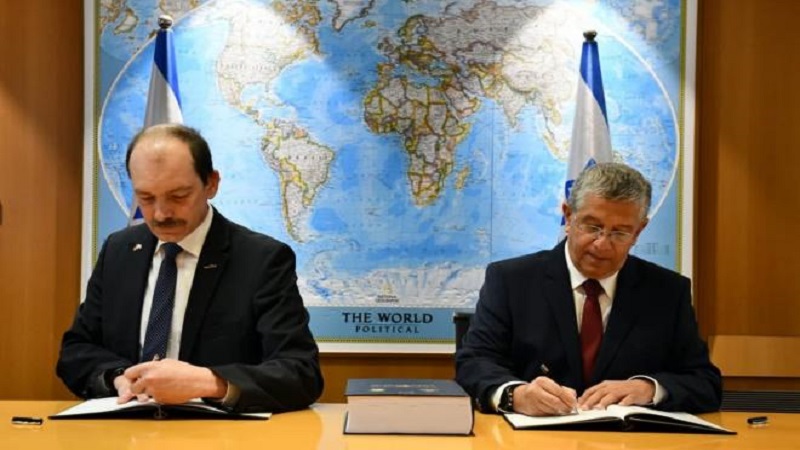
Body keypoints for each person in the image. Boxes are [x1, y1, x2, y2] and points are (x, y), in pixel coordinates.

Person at [57, 124, 323, 413]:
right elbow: (76, 352)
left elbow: (300, 373)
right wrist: (118, 378)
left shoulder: (261, 259)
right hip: (126, 429)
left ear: (211, 184)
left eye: (178, 196)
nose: (161, 214)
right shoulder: (119, 251)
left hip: (221, 434)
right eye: (146, 198)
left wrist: (209, 383)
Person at [455, 162, 721, 416]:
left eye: (620, 233)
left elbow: (705, 383)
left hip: (629, 439)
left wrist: (648, 389)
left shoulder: (667, 292)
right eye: (592, 227)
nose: (602, 244)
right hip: (531, 436)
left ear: (639, 231)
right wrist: (516, 395)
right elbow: (474, 363)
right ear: (568, 216)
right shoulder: (511, 280)